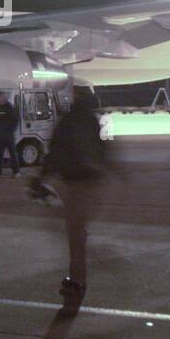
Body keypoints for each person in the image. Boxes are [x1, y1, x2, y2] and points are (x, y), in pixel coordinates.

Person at [32, 94, 110, 303]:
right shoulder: (91, 121)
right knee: (77, 232)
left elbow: (55, 153)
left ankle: (78, 280)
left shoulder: (68, 122)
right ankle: (79, 274)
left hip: (75, 184)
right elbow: (103, 149)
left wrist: (42, 178)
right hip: (91, 182)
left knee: (75, 234)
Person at [0, 91, 20, 176]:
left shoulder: (9, 107)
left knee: (13, 153)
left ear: (4, 97)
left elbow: (15, 120)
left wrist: (11, 131)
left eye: (0, 97)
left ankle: (16, 171)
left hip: (8, 135)